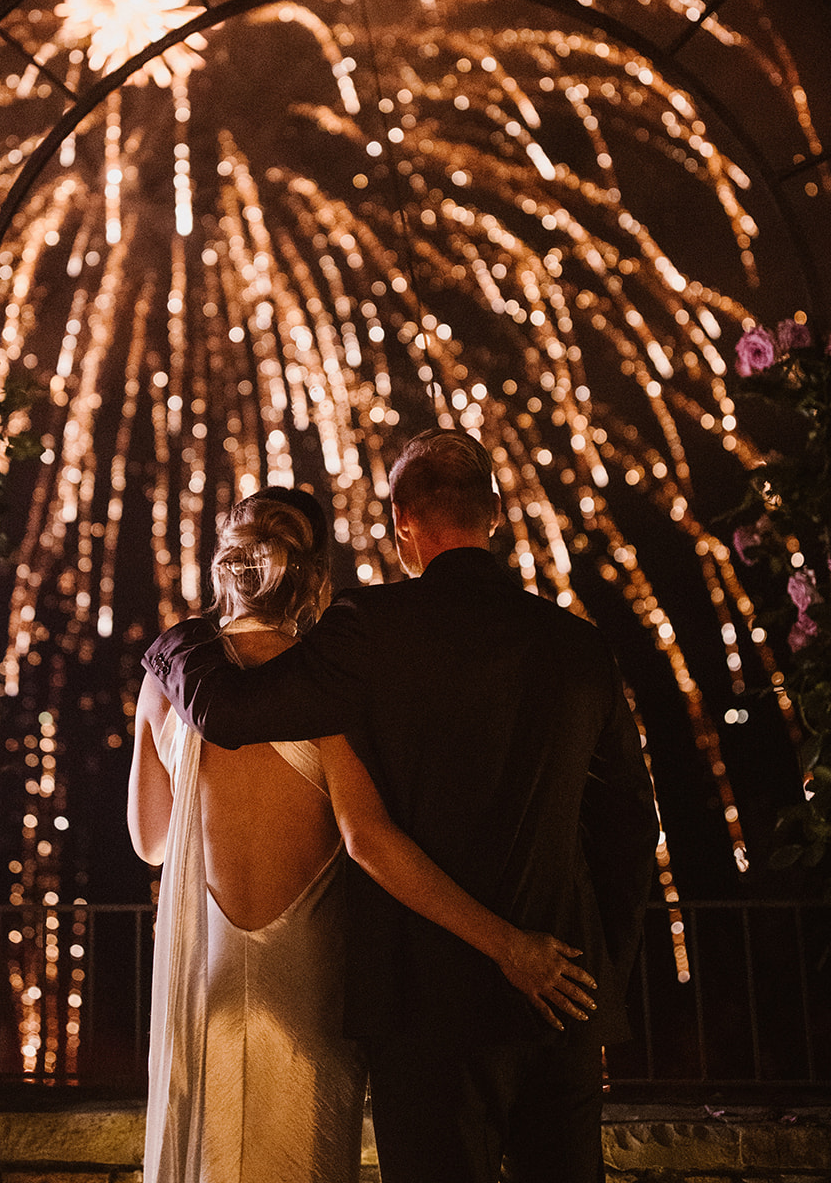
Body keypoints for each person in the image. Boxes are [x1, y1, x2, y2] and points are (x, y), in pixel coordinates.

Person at [145, 434, 659, 1183]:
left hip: (425, 1011)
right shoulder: (579, 646)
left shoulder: (368, 629)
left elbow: (232, 715)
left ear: (399, 520)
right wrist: (593, 983)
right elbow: (629, 828)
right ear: (495, 514)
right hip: (561, 996)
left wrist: (179, 644)